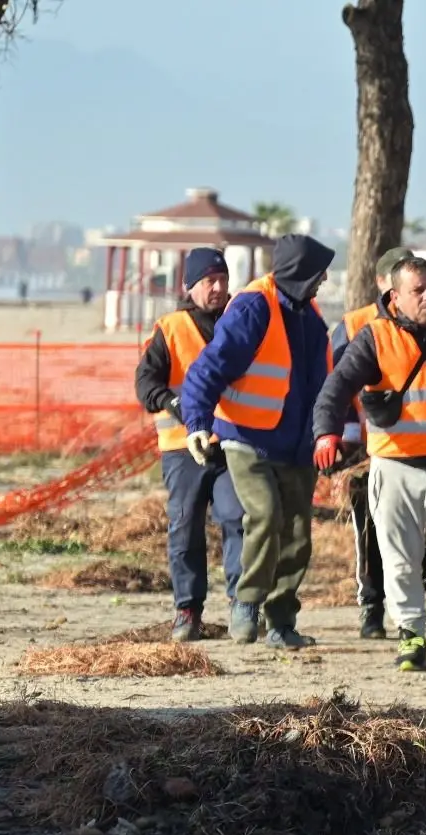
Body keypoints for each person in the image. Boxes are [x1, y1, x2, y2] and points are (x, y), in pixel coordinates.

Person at [313, 256, 426, 673]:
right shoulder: (375, 337)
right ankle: (411, 634)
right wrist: (326, 433)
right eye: (418, 290)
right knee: (399, 559)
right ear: (395, 296)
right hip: (395, 465)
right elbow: (335, 388)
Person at [180, 233, 335, 650]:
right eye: (319, 273)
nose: (324, 280)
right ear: (300, 274)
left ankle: (281, 621)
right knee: (265, 516)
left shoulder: (310, 314)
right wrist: (196, 422)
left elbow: (325, 382)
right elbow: (207, 369)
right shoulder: (253, 306)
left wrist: (333, 432)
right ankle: (246, 603)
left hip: (297, 444)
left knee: (298, 534)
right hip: (247, 437)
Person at [134, 248, 244, 643]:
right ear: (190, 286)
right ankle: (188, 611)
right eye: (209, 281)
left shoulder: (241, 320)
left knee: (238, 519)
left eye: (223, 279)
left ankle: (242, 607)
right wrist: (172, 402)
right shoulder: (171, 327)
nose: (218, 287)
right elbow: (146, 385)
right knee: (185, 527)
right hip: (182, 449)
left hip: (232, 443)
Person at [330, 245, 426, 639]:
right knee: (369, 531)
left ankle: (416, 612)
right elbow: (336, 386)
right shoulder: (355, 324)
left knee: (424, 533)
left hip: (421, 450)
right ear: (382, 283)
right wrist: (346, 438)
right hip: (365, 449)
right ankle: (371, 609)